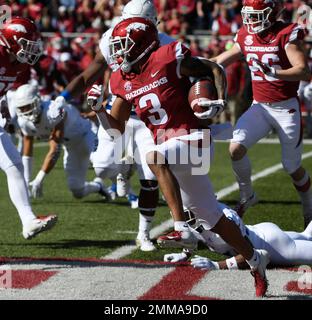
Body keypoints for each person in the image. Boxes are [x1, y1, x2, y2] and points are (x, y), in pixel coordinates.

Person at [90, 16, 270, 297]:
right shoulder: (120, 80)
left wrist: (216, 100)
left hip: (193, 137)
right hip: (169, 142)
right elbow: (116, 131)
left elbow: (211, 68)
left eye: (123, 45)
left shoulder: (166, 56)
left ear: (143, 44)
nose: (119, 52)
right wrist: (100, 110)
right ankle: (256, 259)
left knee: (154, 157)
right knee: (211, 216)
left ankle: (180, 227)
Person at [58, 0, 174, 252]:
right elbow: (90, 73)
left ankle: (144, 232)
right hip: (119, 109)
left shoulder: (168, 45)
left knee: (151, 178)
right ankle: (124, 167)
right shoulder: (111, 38)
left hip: (148, 118)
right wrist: (62, 98)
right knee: (101, 168)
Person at [211, 0, 312, 226]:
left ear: (273, 13)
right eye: (249, 15)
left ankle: (309, 210)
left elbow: (303, 72)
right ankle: (247, 195)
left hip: (285, 108)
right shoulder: (246, 35)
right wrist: (192, 67)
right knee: (235, 148)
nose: (251, 20)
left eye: (257, 15)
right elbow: (220, 61)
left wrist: (275, 72)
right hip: (260, 106)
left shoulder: (286, 33)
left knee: (292, 167)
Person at [0, 17, 57, 239]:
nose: (31, 49)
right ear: (12, 41)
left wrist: (4, 109)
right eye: (27, 43)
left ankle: (28, 221)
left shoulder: (19, 63)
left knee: (15, 166)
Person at [13, 84, 109, 201]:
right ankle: (99, 186)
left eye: (28, 106)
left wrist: (39, 178)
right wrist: (26, 182)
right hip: (71, 146)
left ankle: (127, 189)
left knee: (103, 165)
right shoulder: (24, 122)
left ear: (37, 101)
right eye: (22, 108)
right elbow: (27, 153)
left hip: (87, 134)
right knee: (77, 190)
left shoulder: (52, 112)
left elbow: (55, 150)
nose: (25, 111)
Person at [163, 202, 312, 270]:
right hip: (260, 231)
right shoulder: (193, 218)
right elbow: (197, 234)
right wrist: (184, 254)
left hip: (273, 245)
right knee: (306, 235)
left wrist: (216, 265)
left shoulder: (225, 218)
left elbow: (251, 253)